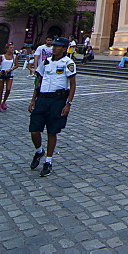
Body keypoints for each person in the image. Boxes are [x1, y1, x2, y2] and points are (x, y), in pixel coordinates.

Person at [28, 37, 77, 177]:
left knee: (52, 132)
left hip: (57, 100)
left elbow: (72, 84)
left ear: (64, 48)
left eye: (57, 46)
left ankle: (48, 161)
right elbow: (39, 80)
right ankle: (39, 151)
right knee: (34, 130)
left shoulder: (68, 63)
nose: (54, 48)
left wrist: (68, 104)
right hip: (42, 98)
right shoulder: (46, 61)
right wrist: (33, 99)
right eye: (53, 46)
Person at [0, 43, 18, 112]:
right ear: (7, 49)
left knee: (8, 89)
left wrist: (10, 69)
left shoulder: (14, 56)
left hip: (10, 73)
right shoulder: (2, 57)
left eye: (12, 48)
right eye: (10, 48)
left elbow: (17, 65)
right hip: (2, 73)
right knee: (1, 90)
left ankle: (4, 101)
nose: (12, 49)